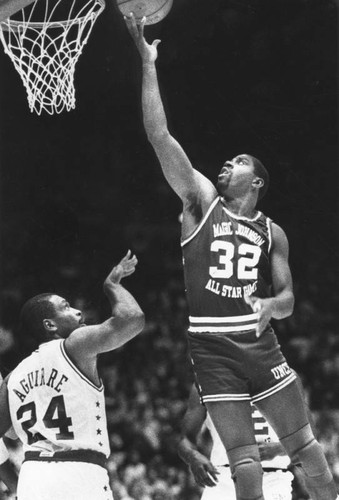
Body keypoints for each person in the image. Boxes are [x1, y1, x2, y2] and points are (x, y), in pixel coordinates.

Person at [124, 15, 338, 500]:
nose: (227, 163)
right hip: (210, 344)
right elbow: (160, 136)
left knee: (307, 449)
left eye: (239, 162)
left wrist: (270, 306)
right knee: (243, 464)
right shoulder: (200, 202)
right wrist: (148, 65)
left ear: (257, 181)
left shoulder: (272, 231)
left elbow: (287, 299)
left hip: (258, 341)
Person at [0, 250, 145, 500]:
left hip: (32, 477)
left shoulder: (13, 376)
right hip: (79, 473)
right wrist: (111, 286)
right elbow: (132, 319)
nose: (78, 312)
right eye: (66, 307)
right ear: (50, 325)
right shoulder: (74, 344)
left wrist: (13, 480)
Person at [178, 383, 294, 500]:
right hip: (222, 477)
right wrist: (193, 456)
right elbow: (185, 439)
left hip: (271, 478)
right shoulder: (203, 383)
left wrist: (278, 449)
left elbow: (309, 438)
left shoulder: (283, 378)